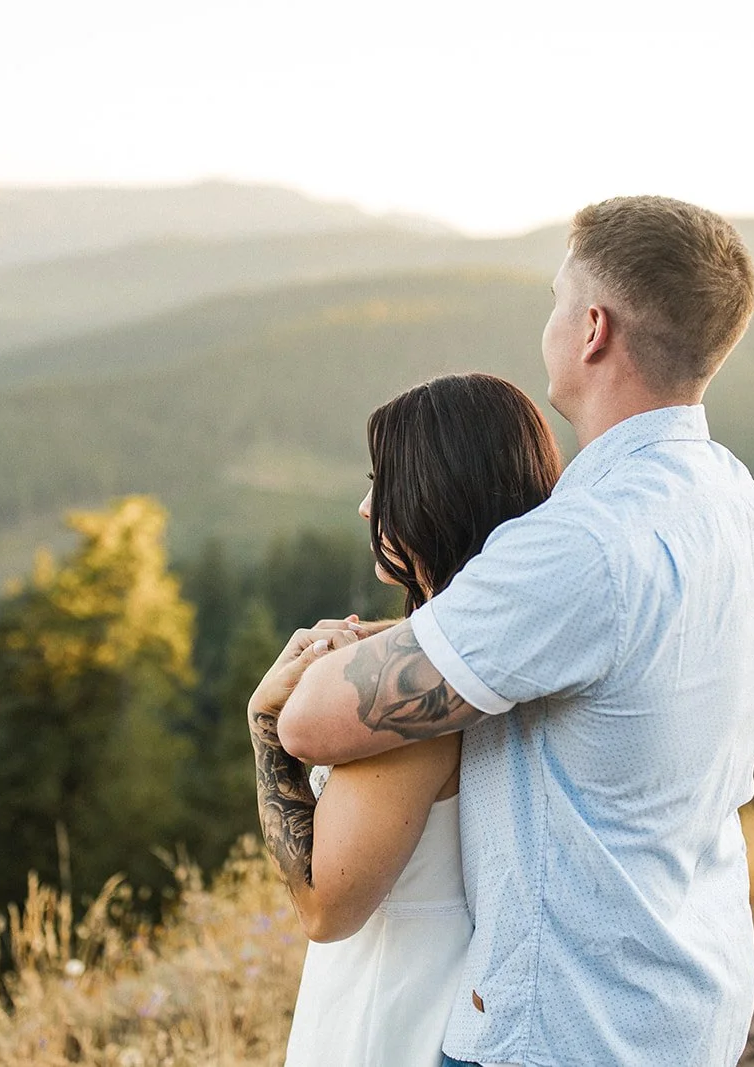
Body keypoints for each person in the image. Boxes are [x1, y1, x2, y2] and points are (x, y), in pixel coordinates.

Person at [275, 196, 754, 1066]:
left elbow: (309, 719)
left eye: (555, 299)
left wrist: (299, 683)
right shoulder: (739, 502)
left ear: (592, 327)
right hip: (689, 993)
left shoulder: (577, 546)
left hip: (567, 1025)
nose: (547, 322)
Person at [246, 373, 562, 1067]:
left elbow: (325, 909)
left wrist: (266, 725)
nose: (365, 507)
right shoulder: (504, 655)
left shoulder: (411, 715)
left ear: (434, 497)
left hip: (395, 995)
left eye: (382, 483)